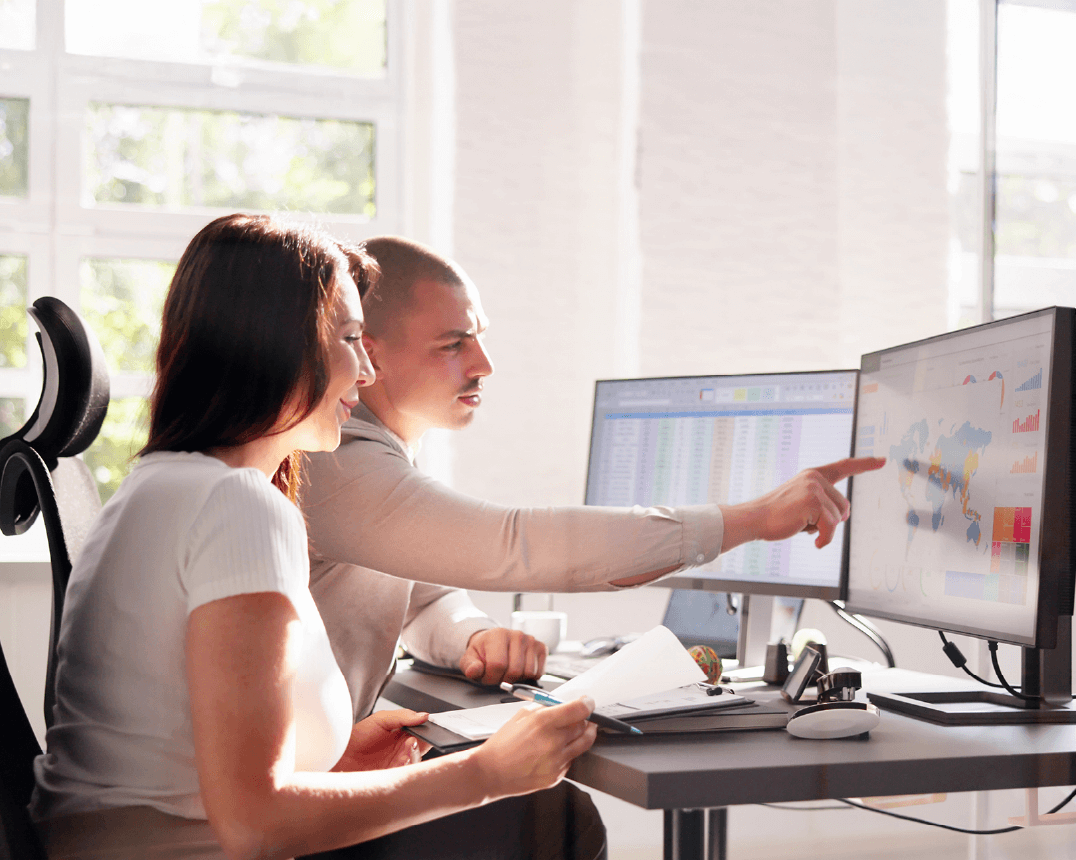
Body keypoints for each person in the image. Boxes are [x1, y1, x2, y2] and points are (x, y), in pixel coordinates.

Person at [31, 214, 606, 860]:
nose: (367, 371)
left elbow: (181, 761)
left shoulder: (160, 486)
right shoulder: (239, 508)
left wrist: (334, 764)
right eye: (351, 340)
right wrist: (483, 774)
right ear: (279, 344)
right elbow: (253, 824)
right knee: (557, 827)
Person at [301, 235, 886, 720]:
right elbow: (515, 545)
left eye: (479, 336)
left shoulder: (371, 458)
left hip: (322, 772)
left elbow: (424, 601)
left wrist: (475, 636)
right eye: (455, 344)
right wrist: (755, 518)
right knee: (553, 818)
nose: (484, 364)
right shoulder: (337, 460)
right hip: (293, 804)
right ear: (368, 354)